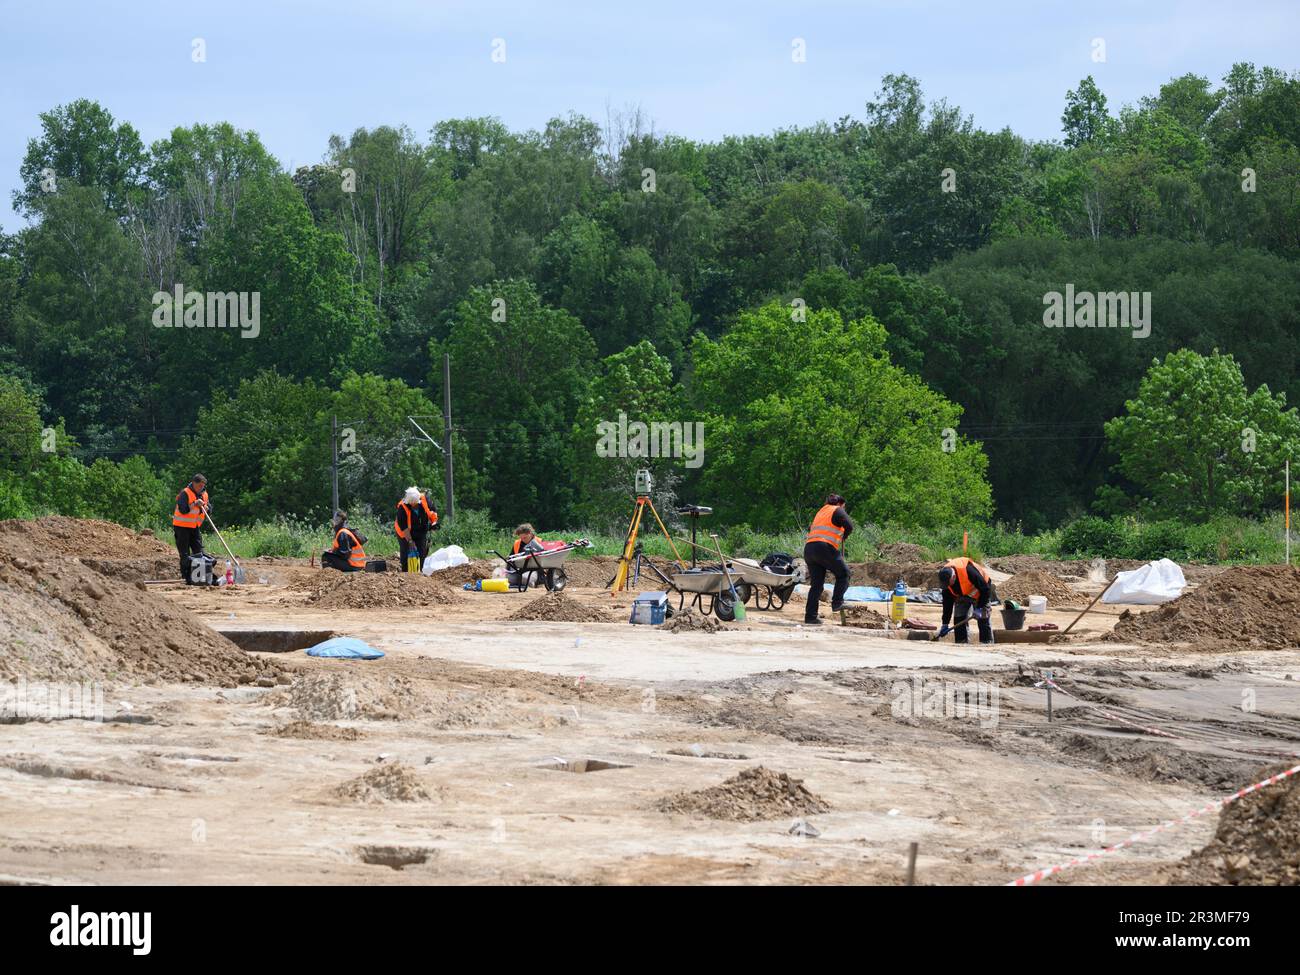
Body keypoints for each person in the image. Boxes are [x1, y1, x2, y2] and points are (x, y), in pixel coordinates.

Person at [802, 493, 852, 625]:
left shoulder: (820, 512)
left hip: (809, 549)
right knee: (844, 574)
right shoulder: (837, 509)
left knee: (816, 586)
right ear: (840, 504)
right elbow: (849, 525)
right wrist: (844, 536)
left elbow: (810, 529)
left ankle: (810, 617)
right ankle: (837, 603)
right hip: (823, 547)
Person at [937, 556, 996, 645]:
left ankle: (987, 643)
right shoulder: (946, 584)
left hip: (981, 592)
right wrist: (945, 623)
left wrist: (980, 607)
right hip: (962, 594)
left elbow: (985, 589)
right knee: (959, 618)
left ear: (953, 577)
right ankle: (961, 643)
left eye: (949, 583)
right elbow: (947, 605)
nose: (948, 586)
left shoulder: (968, 571)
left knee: (983, 617)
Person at [172, 473, 211, 583]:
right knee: (185, 553)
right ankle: (186, 577)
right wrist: (194, 503)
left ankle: (200, 576)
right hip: (181, 527)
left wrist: (207, 508)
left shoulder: (204, 494)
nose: (201, 488)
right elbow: (183, 510)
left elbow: (209, 507)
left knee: (199, 551)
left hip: (195, 527)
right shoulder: (185, 493)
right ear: (194, 483)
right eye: (199, 486)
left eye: (203, 486)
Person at [394, 486, 439, 571]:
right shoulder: (402, 508)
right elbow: (404, 527)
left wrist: (434, 523)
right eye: (412, 504)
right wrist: (410, 541)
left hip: (420, 530)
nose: (414, 506)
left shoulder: (425, 500)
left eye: (416, 503)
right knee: (406, 551)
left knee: (421, 551)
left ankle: (420, 571)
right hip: (404, 533)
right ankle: (406, 571)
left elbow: (432, 511)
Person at [507, 523, 545, 588]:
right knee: (508, 579)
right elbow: (511, 558)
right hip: (520, 569)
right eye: (521, 538)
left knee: (525, 579)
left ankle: (538, 584)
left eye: (525, 537)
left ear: (530, 533)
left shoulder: (539, 542)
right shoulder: (517, 543)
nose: (523, 540)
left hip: (535, 570)